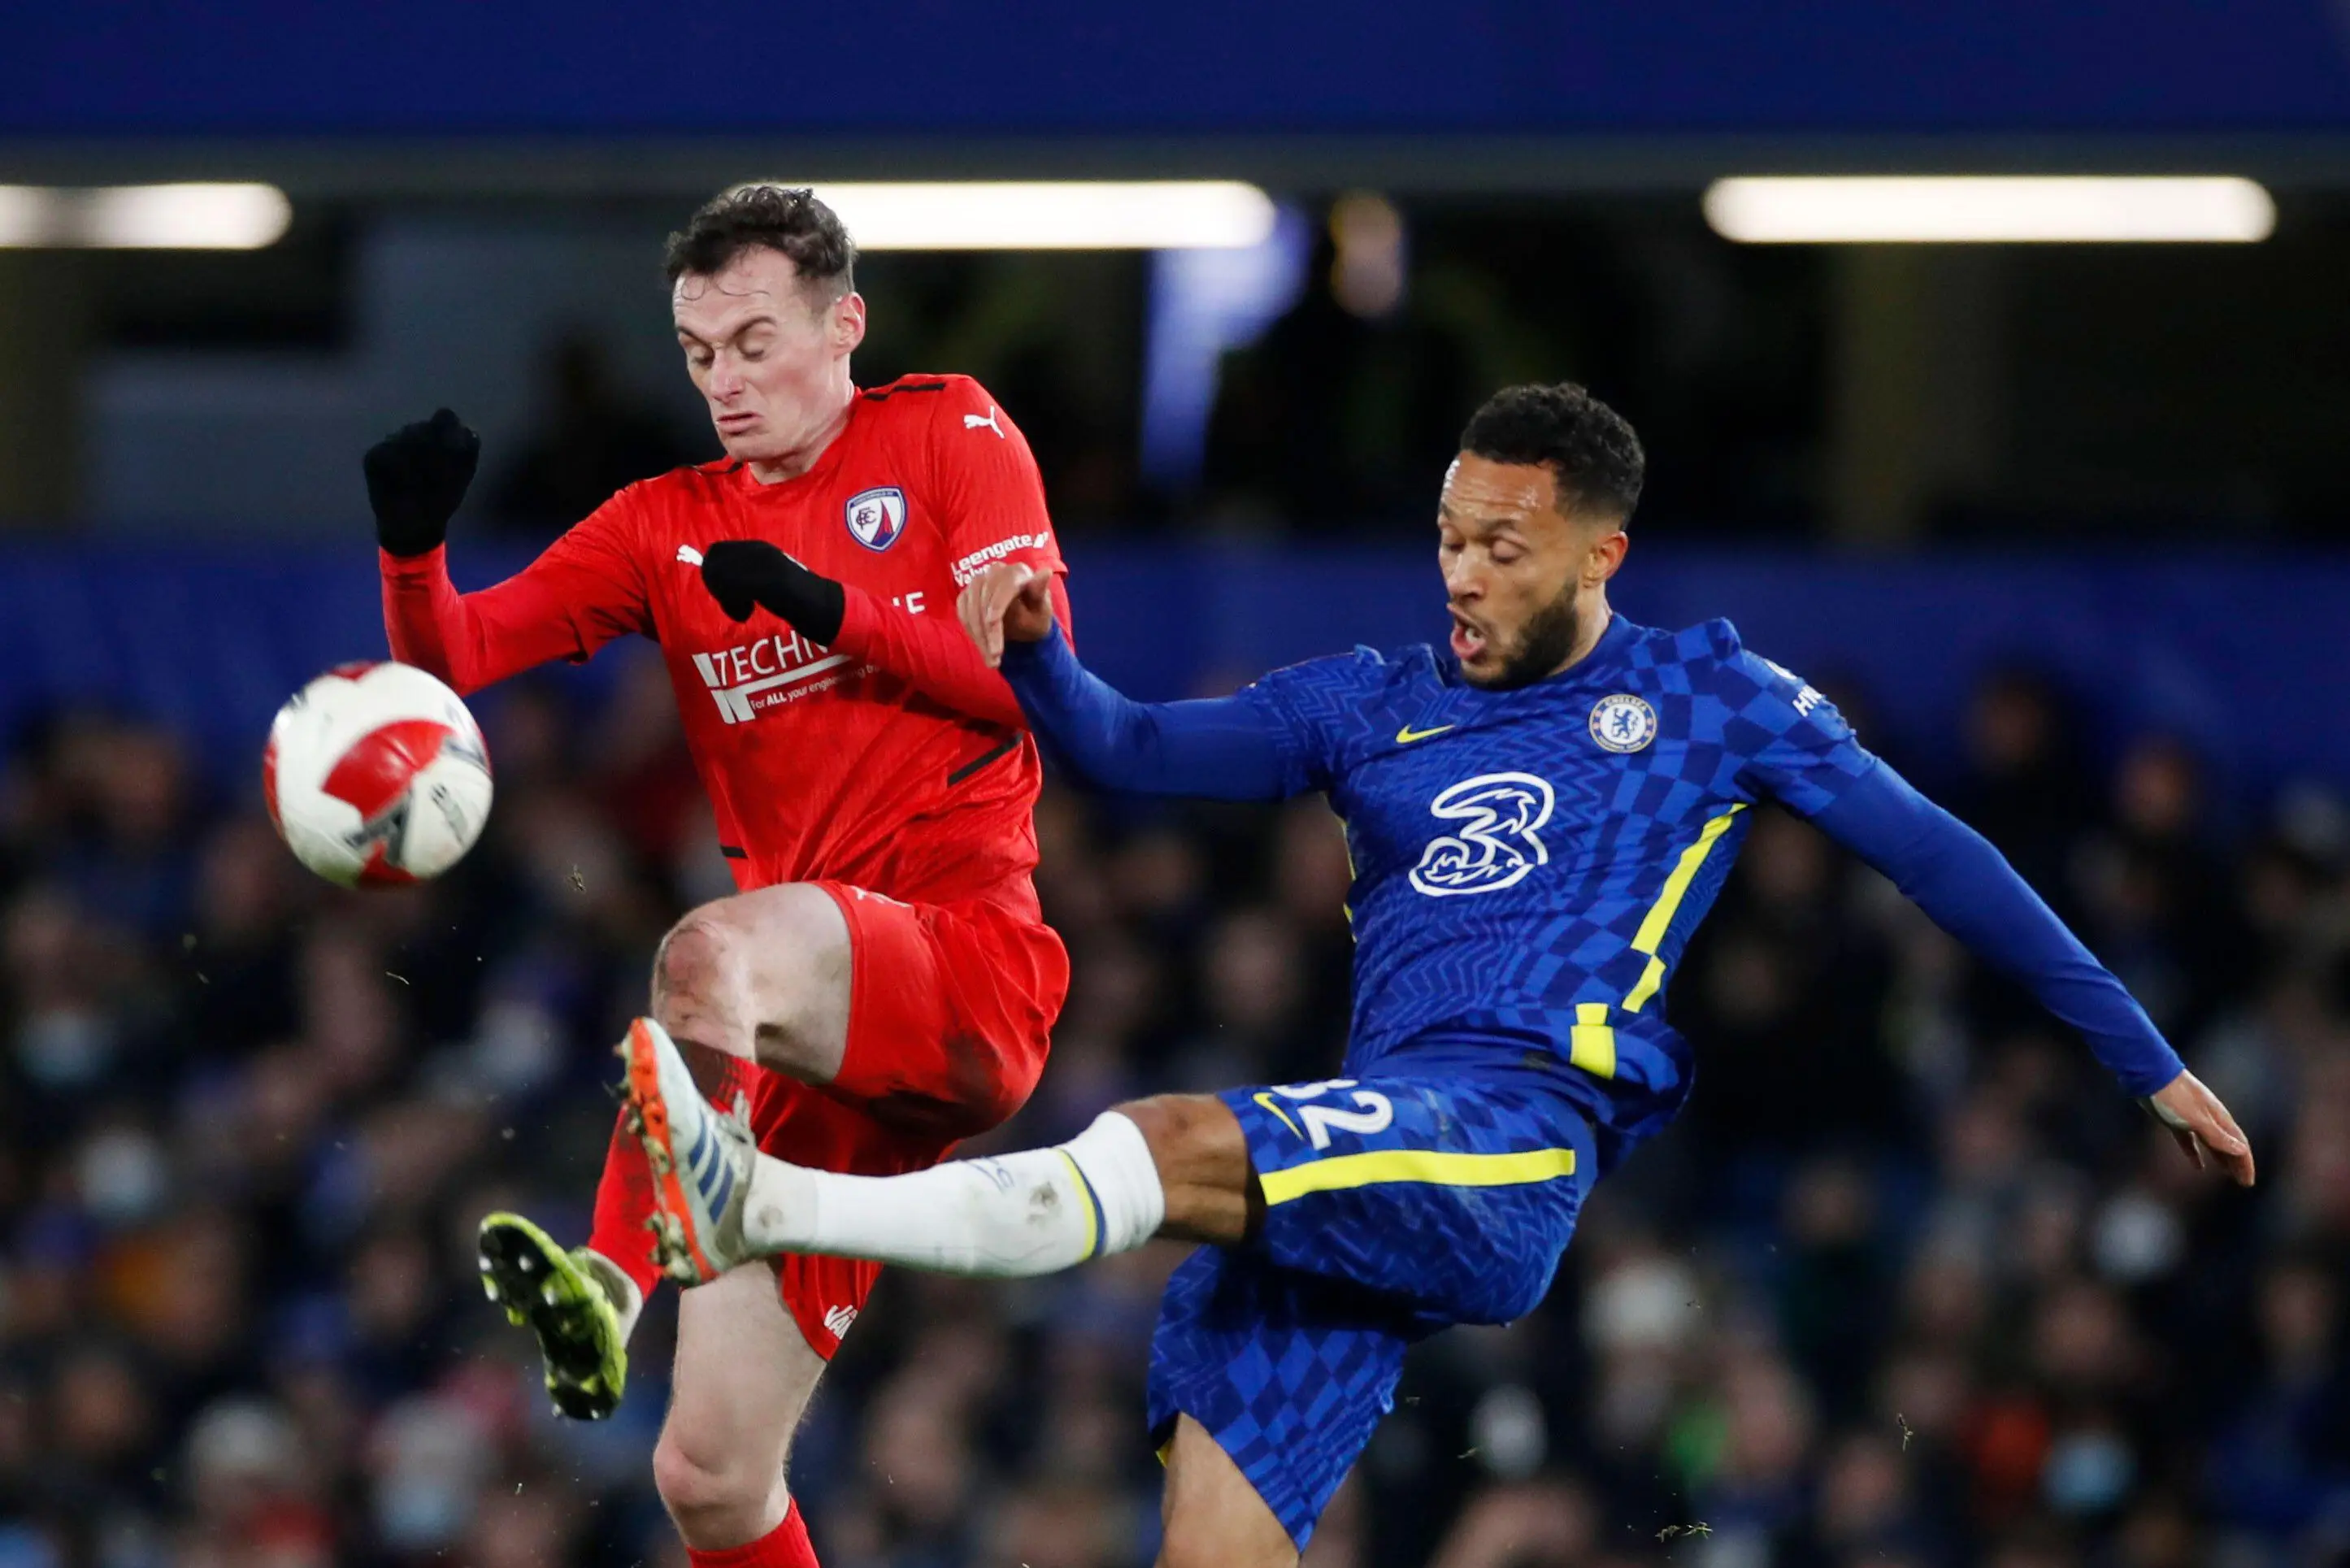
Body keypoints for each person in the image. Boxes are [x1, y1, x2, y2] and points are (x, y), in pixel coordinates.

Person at [615, 382, 2257, 1566]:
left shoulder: (1713, 699)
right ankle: (758, 1202)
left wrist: (2145, 1062)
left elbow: (1939, 856)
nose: (1461, 576)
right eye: (1448, 539)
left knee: (1170, 1138)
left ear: (1601, 554)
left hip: (1508, 1135)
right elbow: (1128, 749)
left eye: (1502, 549)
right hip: (1365, 1160)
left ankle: (764, 1204)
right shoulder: (1367, 701)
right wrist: (1040, 651)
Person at [362, 185, 1074, 1568]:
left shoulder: (949, 431)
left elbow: (1025, 681)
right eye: (698, 355)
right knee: (708, 1478)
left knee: (705, 955)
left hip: (964, 961)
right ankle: (650, 1255)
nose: (724, 383)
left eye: (754, 344)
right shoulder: (662, 525)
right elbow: (452, 660)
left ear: (843, 324)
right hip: (809, 1044)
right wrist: (411, 551)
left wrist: (821, 603)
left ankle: (614, 1276)